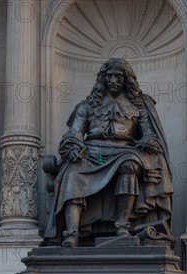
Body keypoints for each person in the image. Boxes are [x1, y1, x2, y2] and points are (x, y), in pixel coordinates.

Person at [44, 57, 173, 247]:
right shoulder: (86, 106)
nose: (114, 81)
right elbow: (74, 134)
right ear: (103, 79)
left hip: (125, 151)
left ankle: (122, 225)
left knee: (129, 164)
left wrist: (147, 142)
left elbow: (150, 135)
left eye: (119, 77)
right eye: (110, 76)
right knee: (72, 172)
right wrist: (73, 147)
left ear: (126, 80)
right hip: (92, 152)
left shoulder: (139, 107)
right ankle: (71, 233)